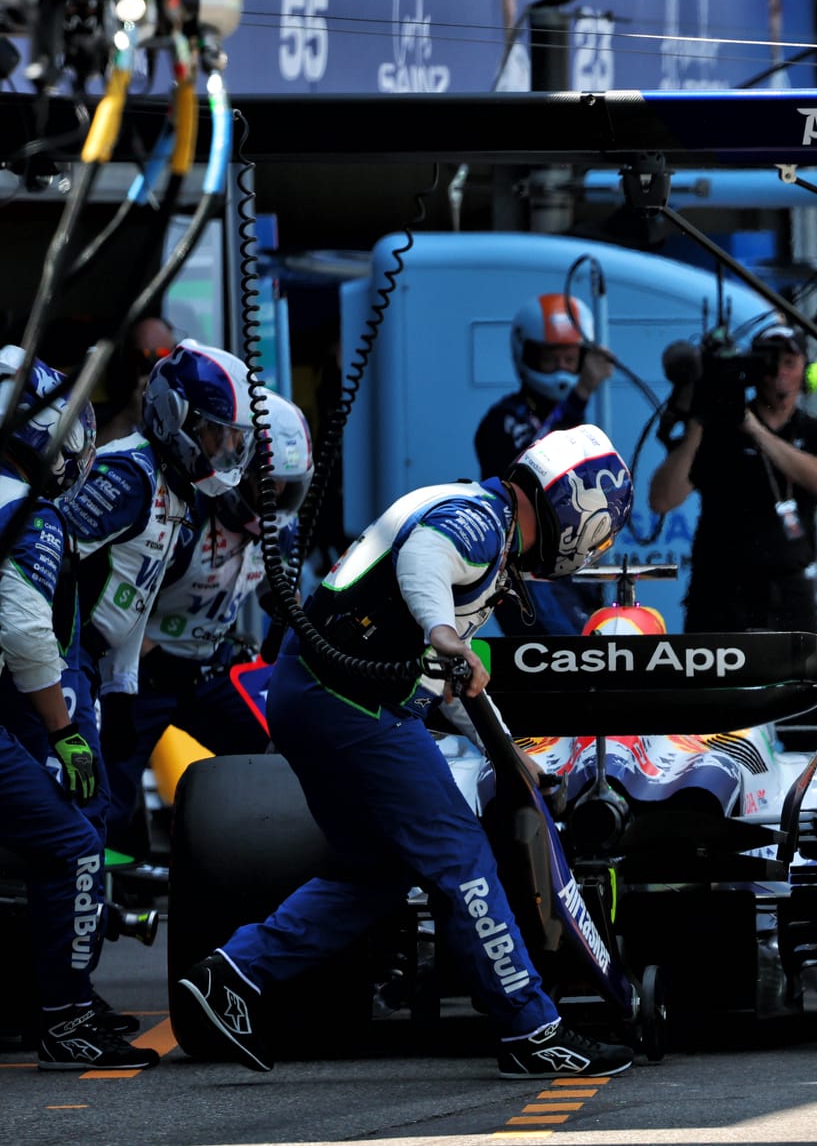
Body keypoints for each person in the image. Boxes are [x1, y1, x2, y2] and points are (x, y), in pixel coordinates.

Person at [176, 425, 637, 1077]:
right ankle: (532, 1029)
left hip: (314, 692)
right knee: (462, 856)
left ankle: (231, 973)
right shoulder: (477, 521)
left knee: (377, 873)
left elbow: (442, 681)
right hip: (356, 707)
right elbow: (427, 558)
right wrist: (444, 631)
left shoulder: (479, 519)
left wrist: (507, 750)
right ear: (578, 509)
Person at [0, 348, 156, 1071]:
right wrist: (64, 732)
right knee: (74, 845)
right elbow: (29, 628)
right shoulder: (26, 511)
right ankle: (64, 1018)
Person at [101, 394, 313, 860]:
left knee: (281, 758)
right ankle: (105, 884)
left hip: (213, 668)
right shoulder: (184, 514)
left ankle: (267, 862)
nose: (274, 504)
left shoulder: (282, 530)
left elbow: (279, 599)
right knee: (104, 798)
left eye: (287, 490)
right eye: (266, 488)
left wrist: (291, 613)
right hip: (143, 670)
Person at [649, 324, 817, 632]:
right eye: (769, 362)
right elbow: (662, 499)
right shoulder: (718, 430)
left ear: (808, 372)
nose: (778, 371)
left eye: (790, 363)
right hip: (720, 596)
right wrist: (700, 421)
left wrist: (754, 429)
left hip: (789, 596)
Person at [474, 295, 614, 635]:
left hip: (577, 567)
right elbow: (539, 466)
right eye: (551, 360)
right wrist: (579, 394)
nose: (562, 369)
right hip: (527, 572)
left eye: (570, 359)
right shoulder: (502, 419)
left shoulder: (584, 426)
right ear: (528, 355)